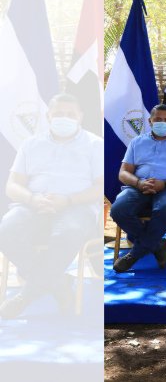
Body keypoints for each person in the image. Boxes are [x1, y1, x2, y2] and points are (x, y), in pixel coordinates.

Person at [0, 94, 102, 318]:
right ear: (48, 116)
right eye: (58, 114)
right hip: (32, 204)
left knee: (68, 233)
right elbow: (13, 185)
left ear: (80, 117)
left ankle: (25, 296)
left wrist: (67, 200)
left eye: (70, 114)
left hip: (76, 206)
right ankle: (59, 282)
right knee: (5, 231)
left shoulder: (95, 145)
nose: (63, 118)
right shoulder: (30, 144)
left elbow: (99, 188)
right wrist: (32, 199)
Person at [110, 103, 166, 273]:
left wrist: (164, 184)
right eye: (158, 119)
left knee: (165, 208)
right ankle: (158, 245)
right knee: (118, 209)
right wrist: (139, 183)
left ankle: (134, 255)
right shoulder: (137, 142)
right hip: (139, 187)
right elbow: (123, 173)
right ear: (150, 121)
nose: (162, 122)